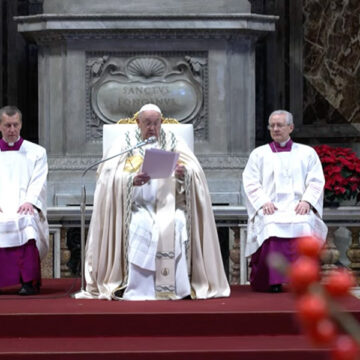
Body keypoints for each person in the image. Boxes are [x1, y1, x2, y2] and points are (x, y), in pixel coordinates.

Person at [78, 103, 230, 300]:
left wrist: (185, 174)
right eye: (147, 123)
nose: (152, 128)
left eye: (156, 123)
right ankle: (137, 288)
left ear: (162, 123)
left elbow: (196, 171)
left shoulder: (173, 140)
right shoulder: (124, 143)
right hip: (136, 206)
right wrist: (130, 180)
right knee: (139, 225)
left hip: (168, 204)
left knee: (177, 223)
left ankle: (175, 288)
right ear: (138, 123)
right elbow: (106, 177)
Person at [242, 110, 328, 293]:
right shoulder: (259, 154)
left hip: (298, 206)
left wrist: (307, 202)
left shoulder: (307, 153)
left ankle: (304, 279)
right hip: (271, 207)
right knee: (270, 225)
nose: (275, 129)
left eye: (279, 125)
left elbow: (316, 181)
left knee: (304, 223)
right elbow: (250, 182)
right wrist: (263, 202)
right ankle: (273, 280)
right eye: (271, 125)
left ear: (291, 127)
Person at [0, 105, 49, 295]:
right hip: (3, 208)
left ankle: (27, 282)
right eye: (7, 125)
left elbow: (39, 181)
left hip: (24, 205)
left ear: (21, 125)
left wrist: (30, 201)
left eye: (15, 125)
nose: (12, 130)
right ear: (1, 127)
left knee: (27, 221)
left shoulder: (36, 152)